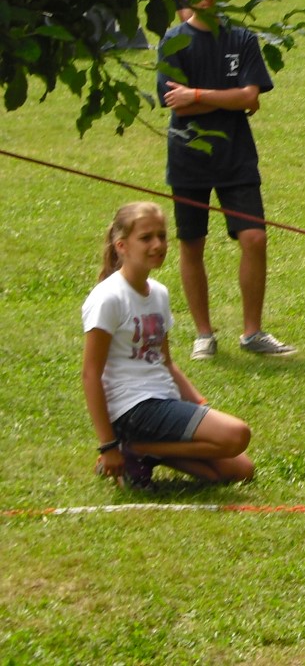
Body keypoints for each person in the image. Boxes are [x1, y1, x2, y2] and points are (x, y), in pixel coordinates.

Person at [158, 0, 294, 359]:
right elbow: (175, 105)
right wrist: (228, 100)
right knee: (191, 243)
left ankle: (252, 332)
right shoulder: (173, 41)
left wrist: (198, 95)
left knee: (255, 238)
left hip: (236, 157)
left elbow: (250, 97)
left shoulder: (241, 38)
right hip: (188, 156)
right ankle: (204, 334)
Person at [82, 202, 255, 489]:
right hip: (133, 408)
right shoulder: (108, 298)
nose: (158, 244)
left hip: (163, 401)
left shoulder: (159, 293)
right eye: (146, 238)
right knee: (236, 435)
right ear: (121, 245)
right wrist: (107, 444)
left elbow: (165, 362)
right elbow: (90, 374)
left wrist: (201, 405)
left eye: (162, 236)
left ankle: (142, 453)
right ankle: (133, 449)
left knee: (241, 470)